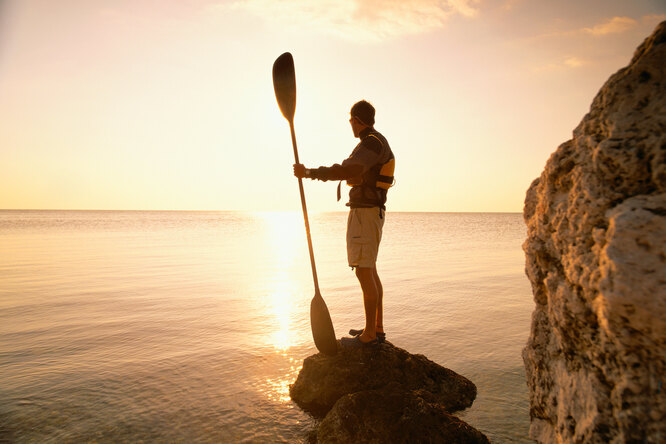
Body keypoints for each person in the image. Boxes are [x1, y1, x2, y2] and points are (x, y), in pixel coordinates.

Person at [293, 100, 395, 348]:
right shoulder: (374, 142)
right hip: (370, 212)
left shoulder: (371, 142)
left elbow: (348, 170)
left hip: (366, 213)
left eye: (350, 119)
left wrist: (310, 173)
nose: (350, 124)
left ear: (356, 120)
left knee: (363, 270)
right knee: (370, 269)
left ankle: (370, 335)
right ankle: (376, 329)